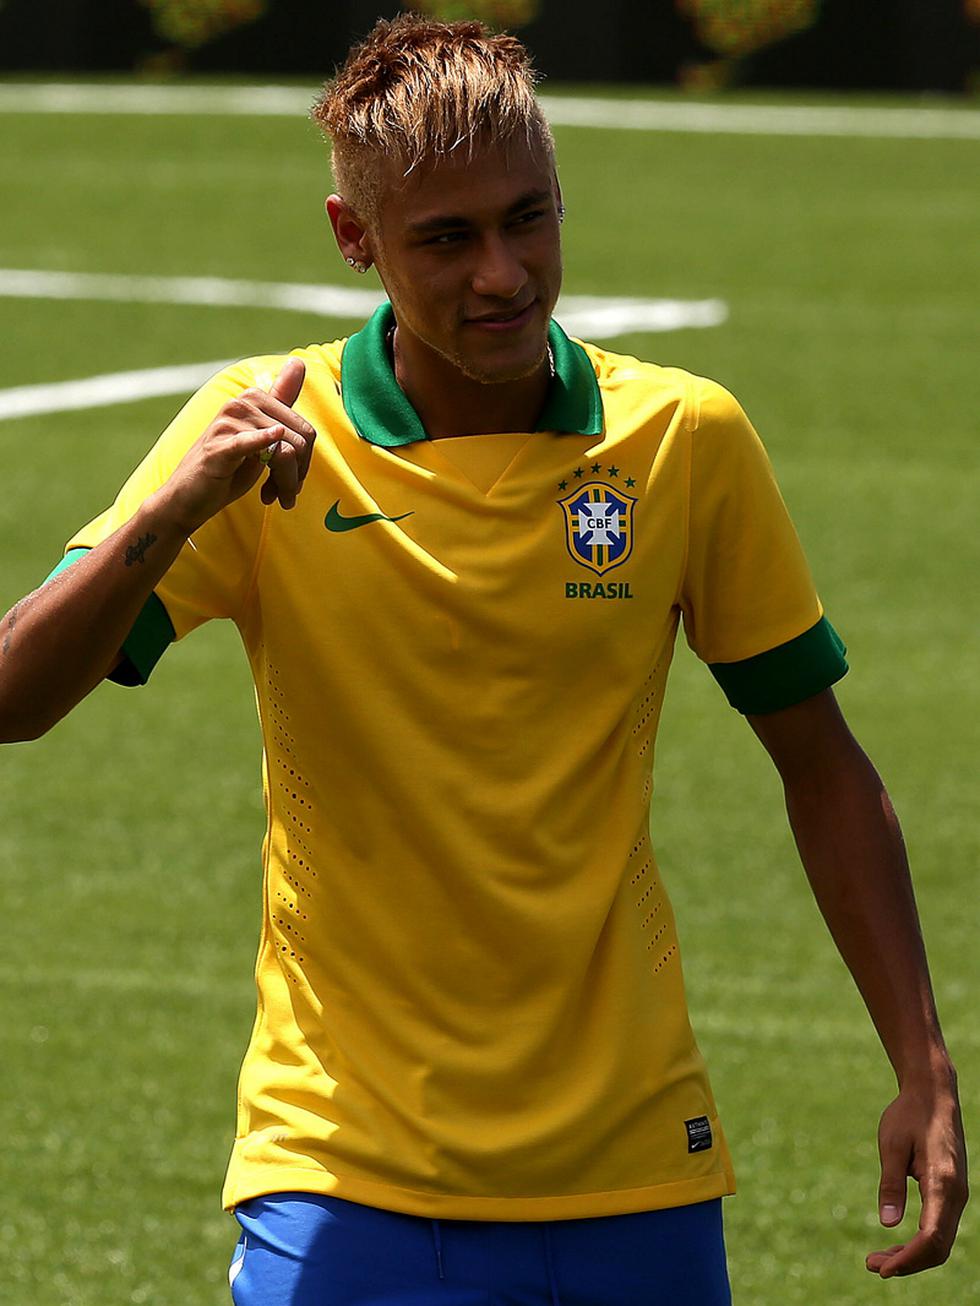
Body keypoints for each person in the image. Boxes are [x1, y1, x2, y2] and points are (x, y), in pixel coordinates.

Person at [0, 14, 966, 1305]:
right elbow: (12, 697)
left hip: (633, 1160)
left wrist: (922, 1062)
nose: (503, 274)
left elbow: (823, 764)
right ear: (356, 241)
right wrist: (171, 512)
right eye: (447, 239)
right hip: (345, 1160)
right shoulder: (269, 431)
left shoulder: (683, 439)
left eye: (529, 220)